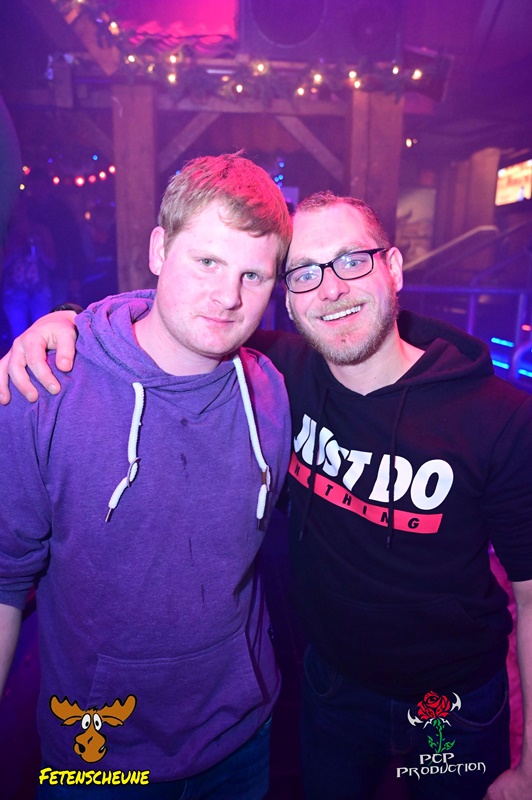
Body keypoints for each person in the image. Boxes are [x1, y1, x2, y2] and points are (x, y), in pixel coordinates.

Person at [2, 190, 532, 800]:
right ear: (289, 296)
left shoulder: (497, 418)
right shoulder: (280, 374)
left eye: (352, 260)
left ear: (392, 267)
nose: (331, 288)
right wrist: (66, 322)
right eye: (304, 272)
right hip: (329, 691)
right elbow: (178, 318)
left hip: (451, 707)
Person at [0, 152, 292, 799]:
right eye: (207, 262)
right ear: (160, 250)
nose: (229, 296)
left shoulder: (270, 393)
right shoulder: (47, 387)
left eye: (253, 274)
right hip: (97, 752)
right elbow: (3, 583)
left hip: (241, 740)